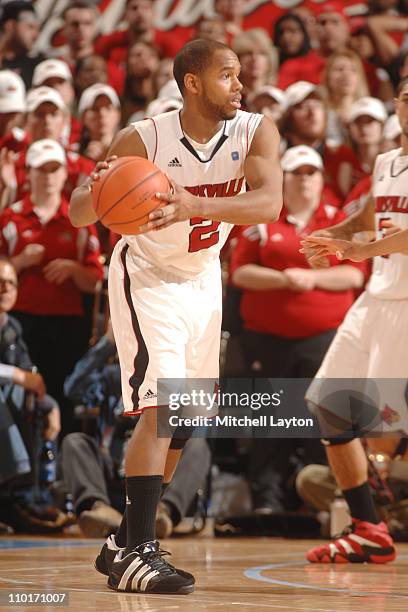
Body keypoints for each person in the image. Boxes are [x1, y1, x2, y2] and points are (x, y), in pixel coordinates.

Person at [70, 38, 283, 594]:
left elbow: (269, 204)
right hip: (147, 275)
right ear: (192, 83)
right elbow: (77, 211)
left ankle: (122, 541)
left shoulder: (254, 130)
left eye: (239, 75)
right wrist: (98, 192)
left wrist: (196, 203)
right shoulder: (144, 138)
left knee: (183, 421)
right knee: (161, 406)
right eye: (228, 75)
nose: (241, 84)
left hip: (202, 277)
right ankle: (139, 552)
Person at [297, 76, 408, 564]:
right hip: (375, 299)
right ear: (396, 106)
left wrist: (361, 249)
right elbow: (367, 219)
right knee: (329, 405)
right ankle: (368, 528)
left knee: (390, 425)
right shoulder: (386, 163)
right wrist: (332, 236)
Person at [230, 146, 364, 513]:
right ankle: (268, 502)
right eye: (296, 172)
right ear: (283, 178)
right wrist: (284, 280)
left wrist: (309, 277)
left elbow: (354, 273)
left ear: (323, 179)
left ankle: (321, 503)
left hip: (325, 339)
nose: (304, 179)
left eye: (311, 172)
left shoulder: (338, 221)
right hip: (269, 340)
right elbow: (240, 273)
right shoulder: (261, 220)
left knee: (323, 422)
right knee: (272, 422)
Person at [0, 139, 103, 435]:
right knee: (17, 394)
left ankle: (59, 469)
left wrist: (72, 269)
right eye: (41, 169)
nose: (47, 176)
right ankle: (17, 466)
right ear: (28, 173)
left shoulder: (79, 220)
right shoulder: (10, 218)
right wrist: (19, 261)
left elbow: (94, 281)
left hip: (66, 324)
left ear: (64, 175)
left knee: (63, 392)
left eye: (53, 169)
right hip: (18, 322)